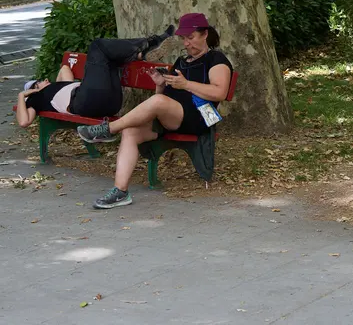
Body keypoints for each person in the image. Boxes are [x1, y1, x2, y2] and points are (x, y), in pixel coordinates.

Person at [77, 13, 233, 209]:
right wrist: (160, 85)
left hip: (199, 116)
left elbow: (219, 92)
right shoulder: (182, 61)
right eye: (183, 38)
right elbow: (164, 98)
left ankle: (109, 129)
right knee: (131, 131)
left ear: (205, 34)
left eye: (191, 37)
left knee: (157, 102)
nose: (186, 43)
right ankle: (120, 191)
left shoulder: (216, 59)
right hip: (173, 117)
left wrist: (186, 84)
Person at [16, 27, 175, 128]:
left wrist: (49, 84)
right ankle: (146, 45)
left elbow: (65, 69)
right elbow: (24, 122)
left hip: (111, 103)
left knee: (111, 58)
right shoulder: (37, 99)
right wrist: (22, 96)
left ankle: (141, 53)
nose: (44, 80)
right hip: (86, 102)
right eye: (37, 83)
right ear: (33, 91)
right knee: (97, 46)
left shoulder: (56, 89)